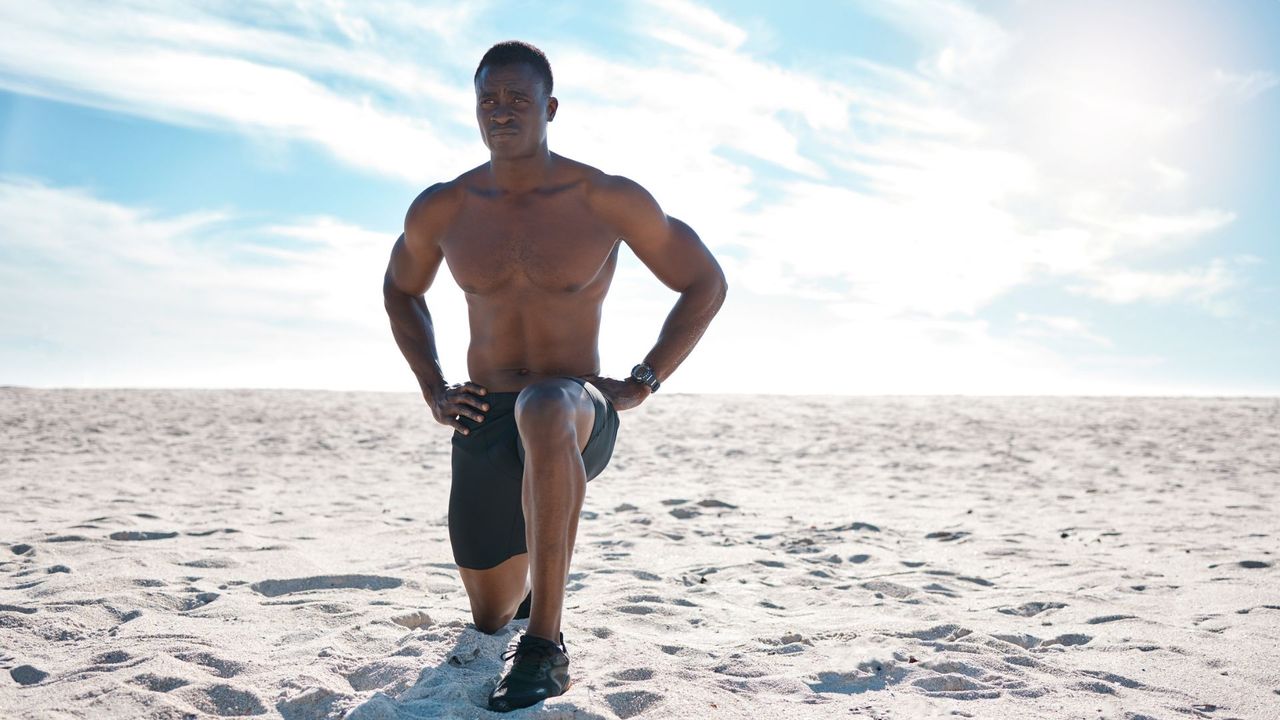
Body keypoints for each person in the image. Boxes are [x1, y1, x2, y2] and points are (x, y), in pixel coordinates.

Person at [382, 40, 727, 712]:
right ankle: (526, 598)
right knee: (489, 615)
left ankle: (544, 646)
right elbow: (400, 290)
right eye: (489, 99)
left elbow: (704, 280)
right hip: (485, 416)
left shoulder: (604, 198)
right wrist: (433, 386)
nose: (501, 110)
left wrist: (646, 379)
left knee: (543, 404)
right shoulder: (444, 208)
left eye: (517, 97)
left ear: (550, 107)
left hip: (575, 409)